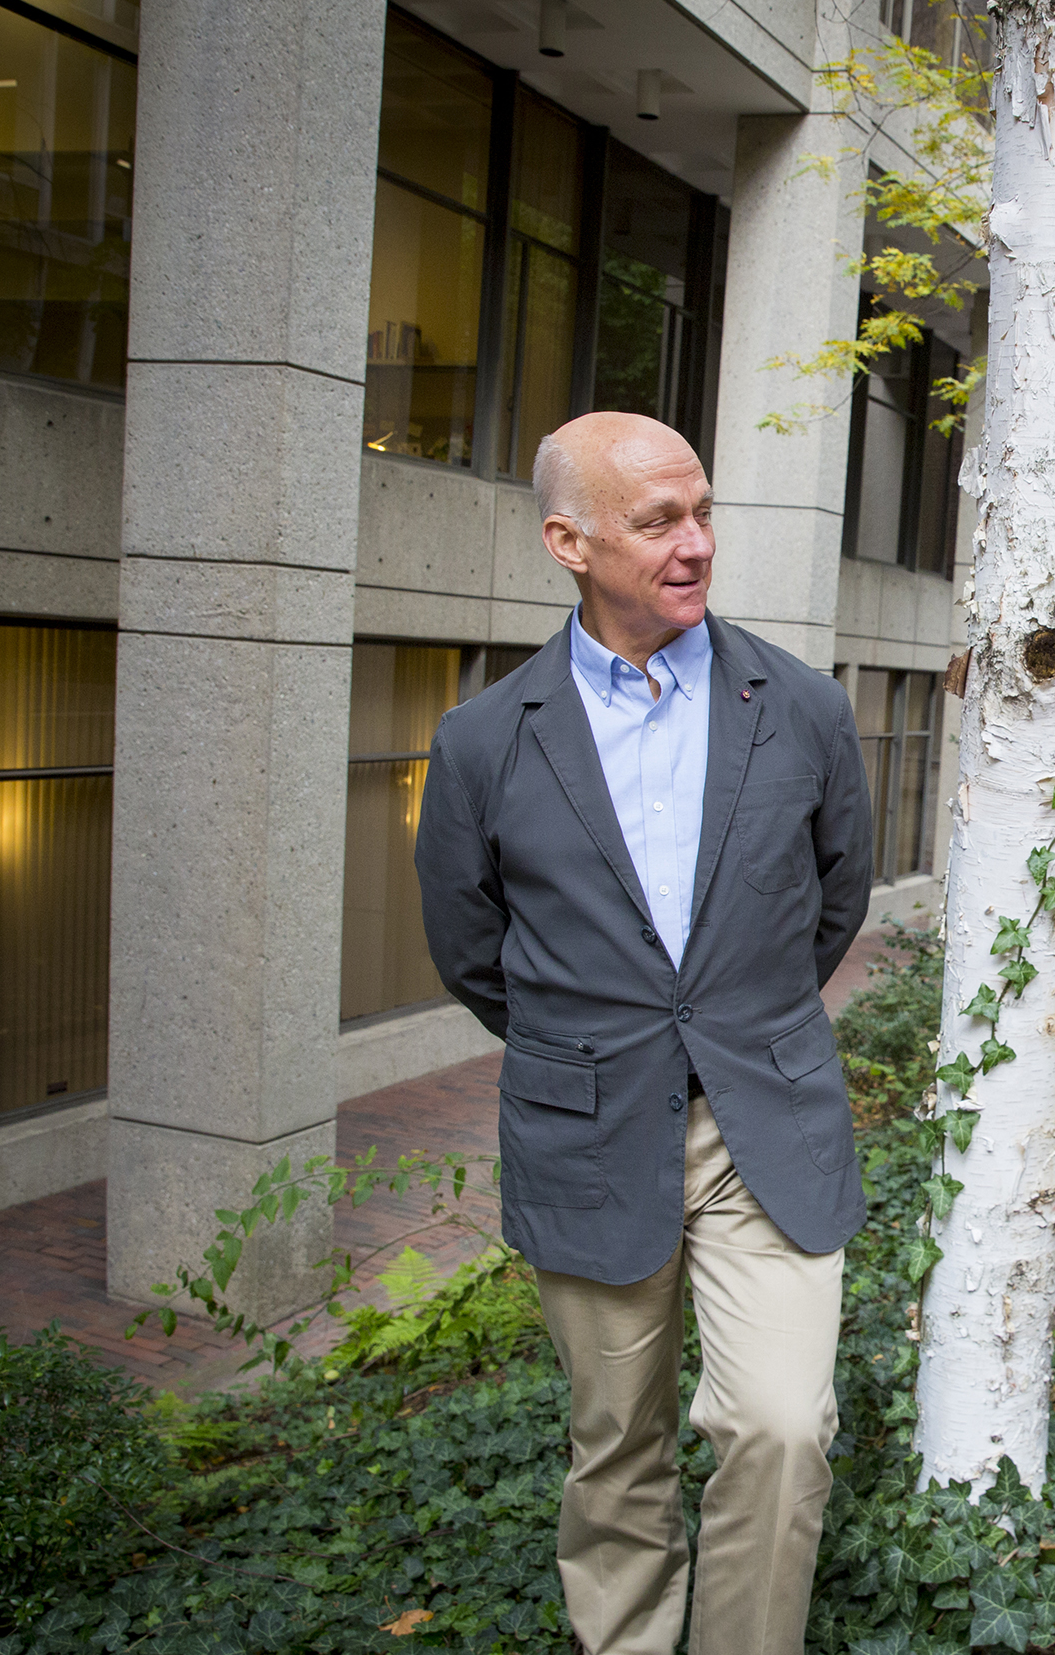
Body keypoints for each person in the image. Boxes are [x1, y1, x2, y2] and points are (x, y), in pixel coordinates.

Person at [415, 413, 875, 1655]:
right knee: (616, 1441)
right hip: (589, 1128)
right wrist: (595, 1042)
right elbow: (471, 950)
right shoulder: (481, 741)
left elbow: (834, 902)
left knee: (780, 1421)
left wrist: (735, 1024)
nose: (697, 544)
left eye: (702, 511)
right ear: (568, 540)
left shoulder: (807, 709)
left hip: (760, 1119)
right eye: (658, 519)